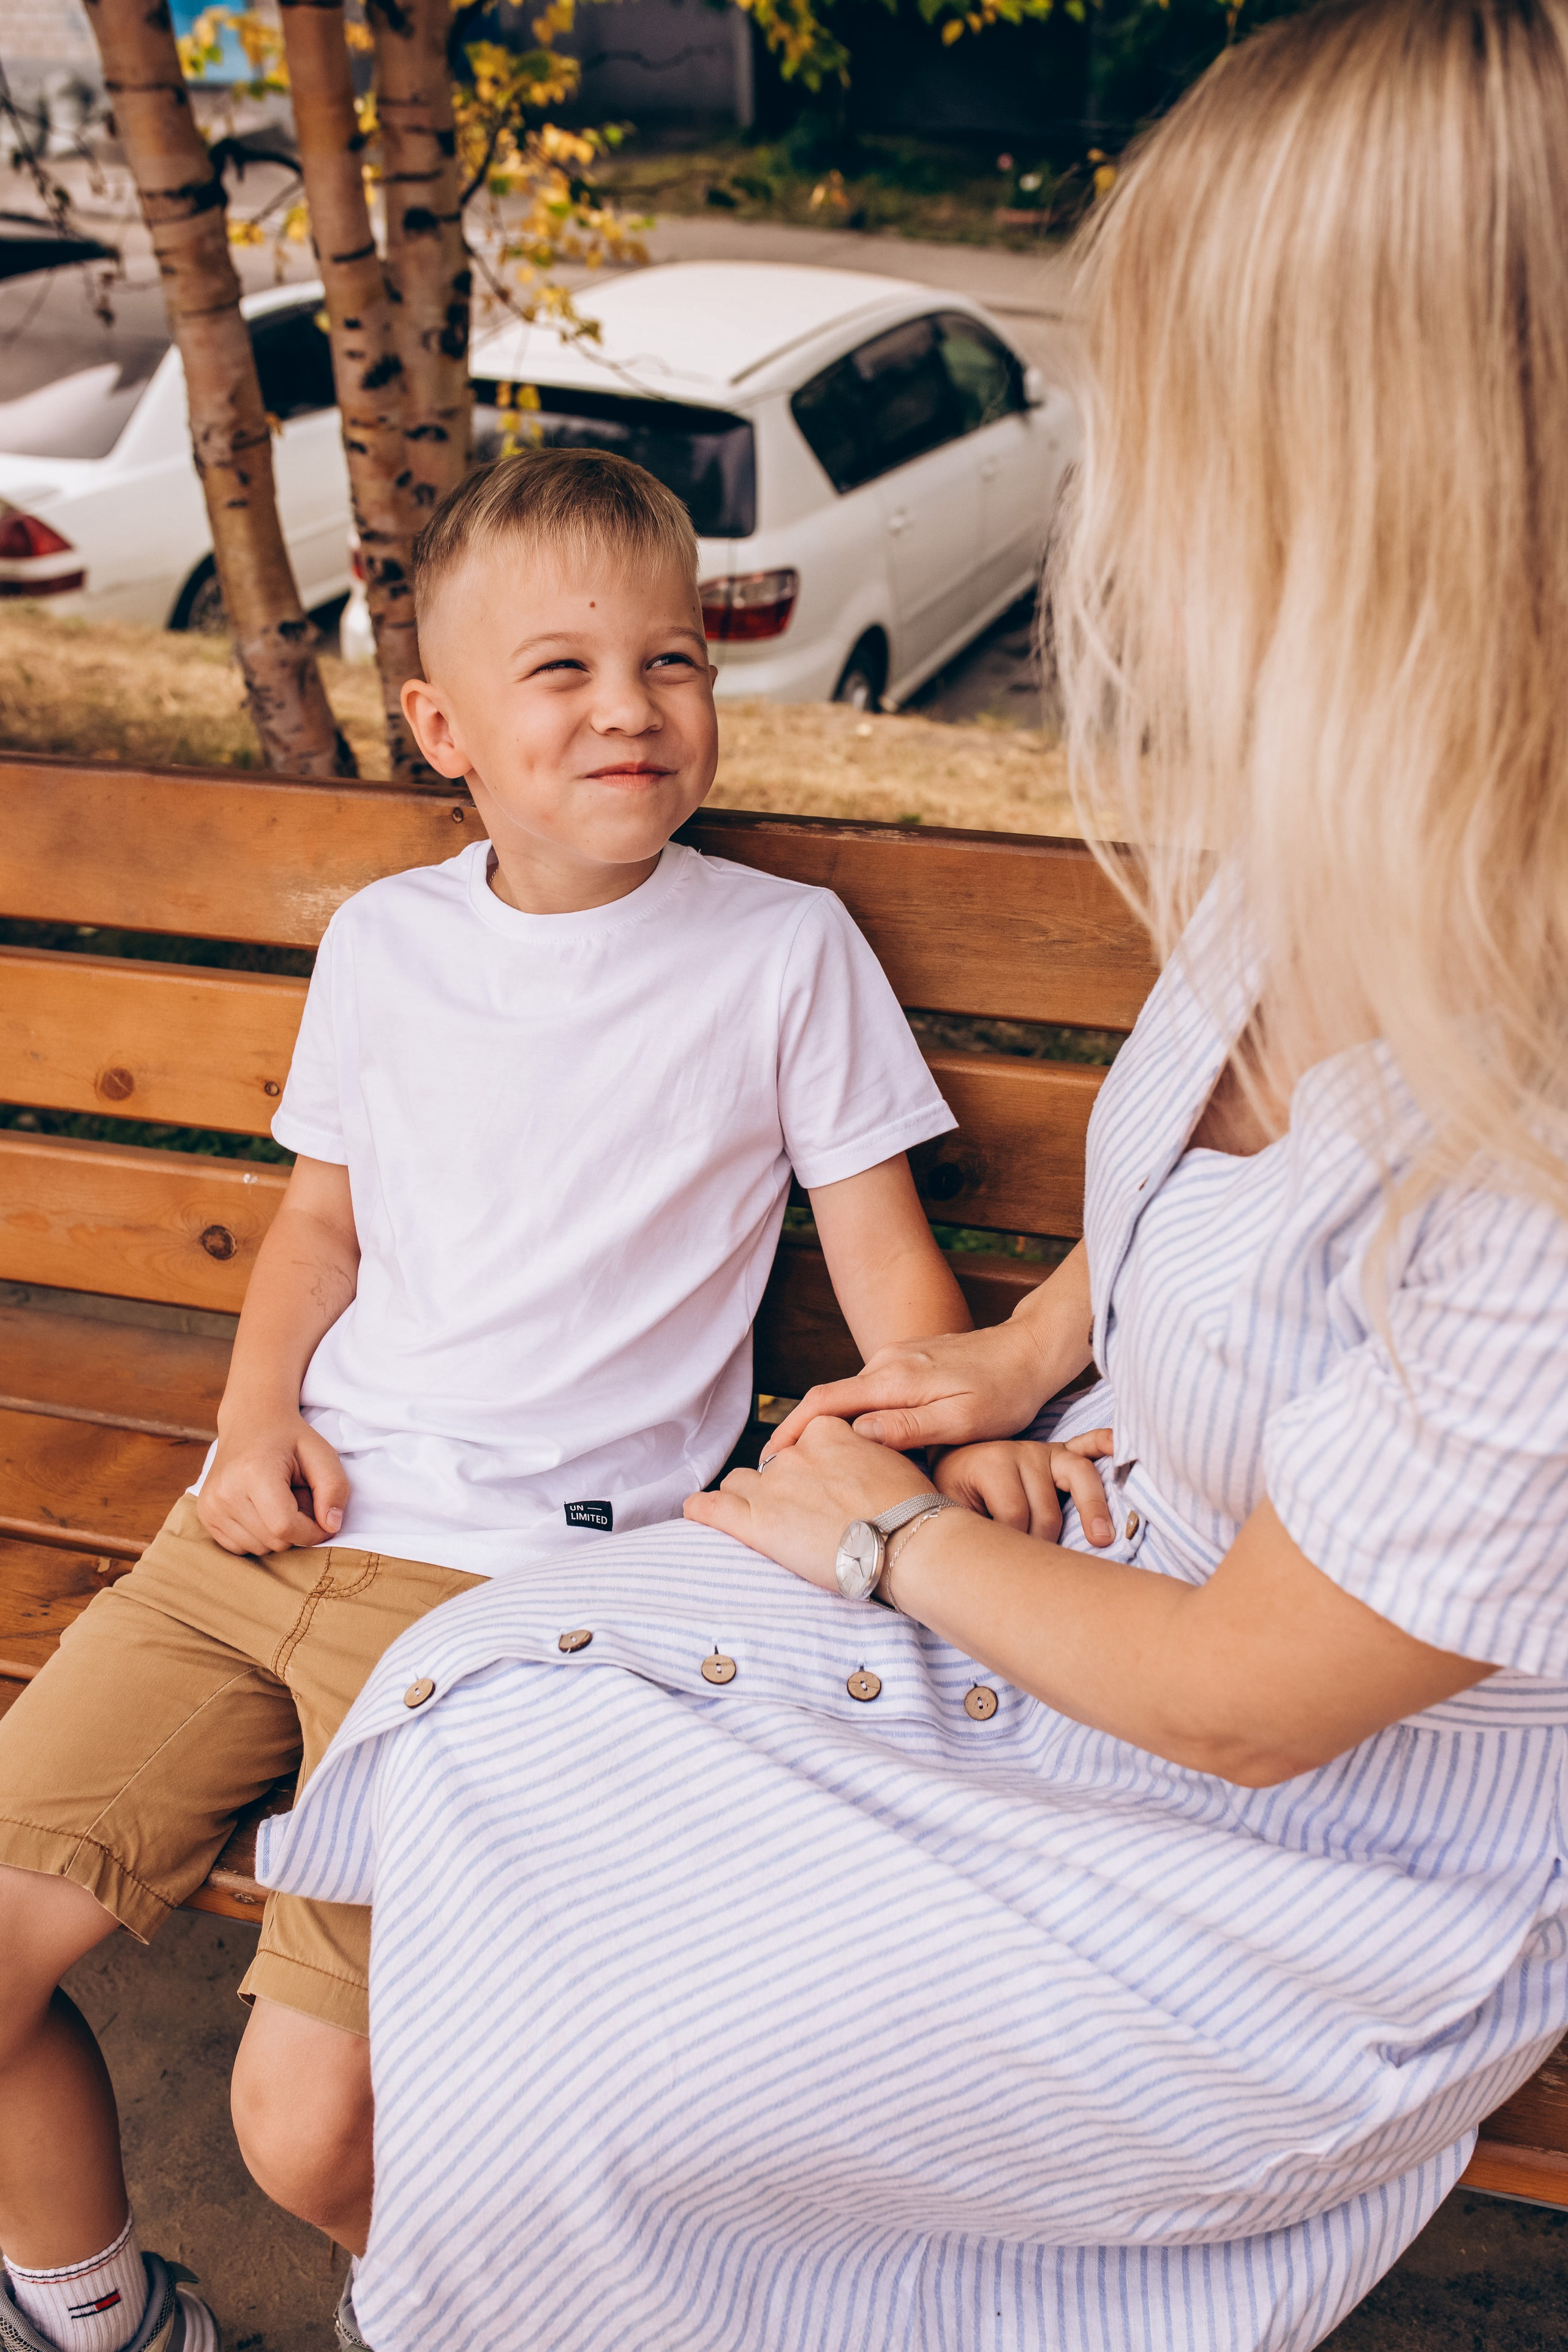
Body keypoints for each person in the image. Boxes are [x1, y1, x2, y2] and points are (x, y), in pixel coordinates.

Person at [258, 3, 1568, 2347]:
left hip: (1290, 1861)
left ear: (1380, 483)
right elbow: (1185, 1203)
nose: (1118, 488)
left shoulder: (1542, 1135)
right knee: (474, 1725)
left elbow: (1257, 1707)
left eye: (1172, 414)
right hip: (1088, 1576)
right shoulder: (1332, 833)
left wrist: (888, 1532)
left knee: (562, 2056)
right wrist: (1019, 1355)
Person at [0, 447, 1060, 2352]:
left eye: (673, 660)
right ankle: (95, 2319)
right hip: (269, 1536)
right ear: (442, 727)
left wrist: (971, 1428)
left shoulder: (779, 953)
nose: (631, 707)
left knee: (308, 2129)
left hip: (503, 1607)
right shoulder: (389, 947)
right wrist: (246, 1426)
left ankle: (498, 2311)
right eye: (560, 669)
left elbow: (897, 1273)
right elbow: (317, 1230)